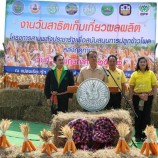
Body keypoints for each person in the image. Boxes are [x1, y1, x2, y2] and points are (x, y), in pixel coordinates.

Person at [129, 56, 157, 142]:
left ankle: (146, 135)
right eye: (141, 62)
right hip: (137, 97)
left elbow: (154, 86)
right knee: (138, 116)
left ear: (146, 63)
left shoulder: (151, 73)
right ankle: (137, 135)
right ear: (138, 64)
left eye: (144, 62)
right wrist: (130, 98)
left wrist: (154, 97)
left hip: (148, 97)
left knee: (146, 117)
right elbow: (131, 87)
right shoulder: (134, 74)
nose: (142, 63)